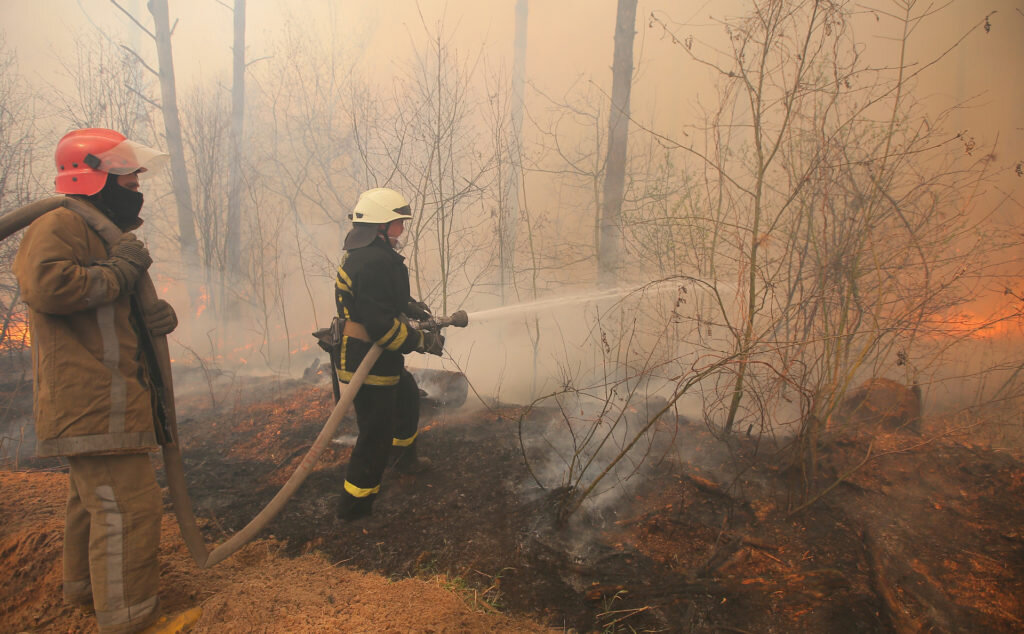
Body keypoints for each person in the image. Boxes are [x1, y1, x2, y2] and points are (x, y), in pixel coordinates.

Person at [12, 128, 200, 633]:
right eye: (128, 178)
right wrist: (120, 271)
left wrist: (152, 316)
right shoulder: (58, 224)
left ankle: (86, 594)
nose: (136, 187)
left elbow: (105, 317)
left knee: (93, 503)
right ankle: (132, 622)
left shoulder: (95, 231)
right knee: (129, 509)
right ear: (93, 177)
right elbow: (48, 287)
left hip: (105, 400)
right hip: (92, 401)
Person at [333, 187, 444, 521]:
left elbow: (376, 301)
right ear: (380, 225)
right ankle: (355, 507)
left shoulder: (368, 254)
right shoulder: (375, 262)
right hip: (365, 358)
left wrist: (410, 307)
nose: (403, 228)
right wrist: (423, 342)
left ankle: (404, 459)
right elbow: (382, 326)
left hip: (373, 353)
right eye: (398, 222)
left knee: (407, 396)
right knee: (375, 434)